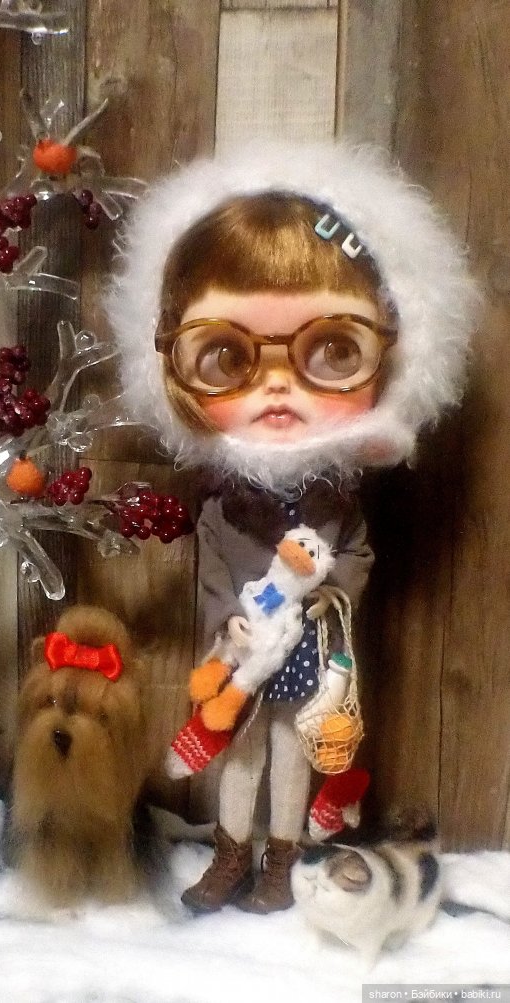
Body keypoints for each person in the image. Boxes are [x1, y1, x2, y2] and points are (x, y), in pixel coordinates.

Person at [106, 140, 479, 914]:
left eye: (332, 350)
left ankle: (282, 856)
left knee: (294, 750)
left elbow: (357, 557)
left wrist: (324, 590)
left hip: (310, 650)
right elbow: (212, 570)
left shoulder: (335, 502)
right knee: (234, 751)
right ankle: (229, 852)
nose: (277, 384)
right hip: (240, 654)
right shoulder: (225, 504)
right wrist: (230, 623)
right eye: (226, 355)